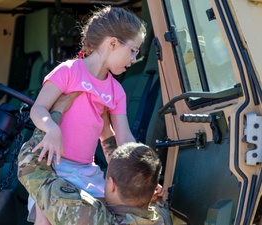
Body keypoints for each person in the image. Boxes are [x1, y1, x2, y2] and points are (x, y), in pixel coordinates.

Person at [29, 5, 146, 224]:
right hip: (54, 168)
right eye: (133, 50)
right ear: (112, 43)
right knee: (45, 218)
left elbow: (124, 139)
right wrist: (52, 129)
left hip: (86, 172)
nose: (134, 59)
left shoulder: (116, 91)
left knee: (107, 214)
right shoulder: (68, 71)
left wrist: (141, 172)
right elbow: (37, 109)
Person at [17, 109, 169, 224]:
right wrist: (106, 130)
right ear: (153, 190)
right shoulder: (161, 217)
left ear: (112, 184)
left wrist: (55, 114)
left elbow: (30, 166)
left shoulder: (92, 217)